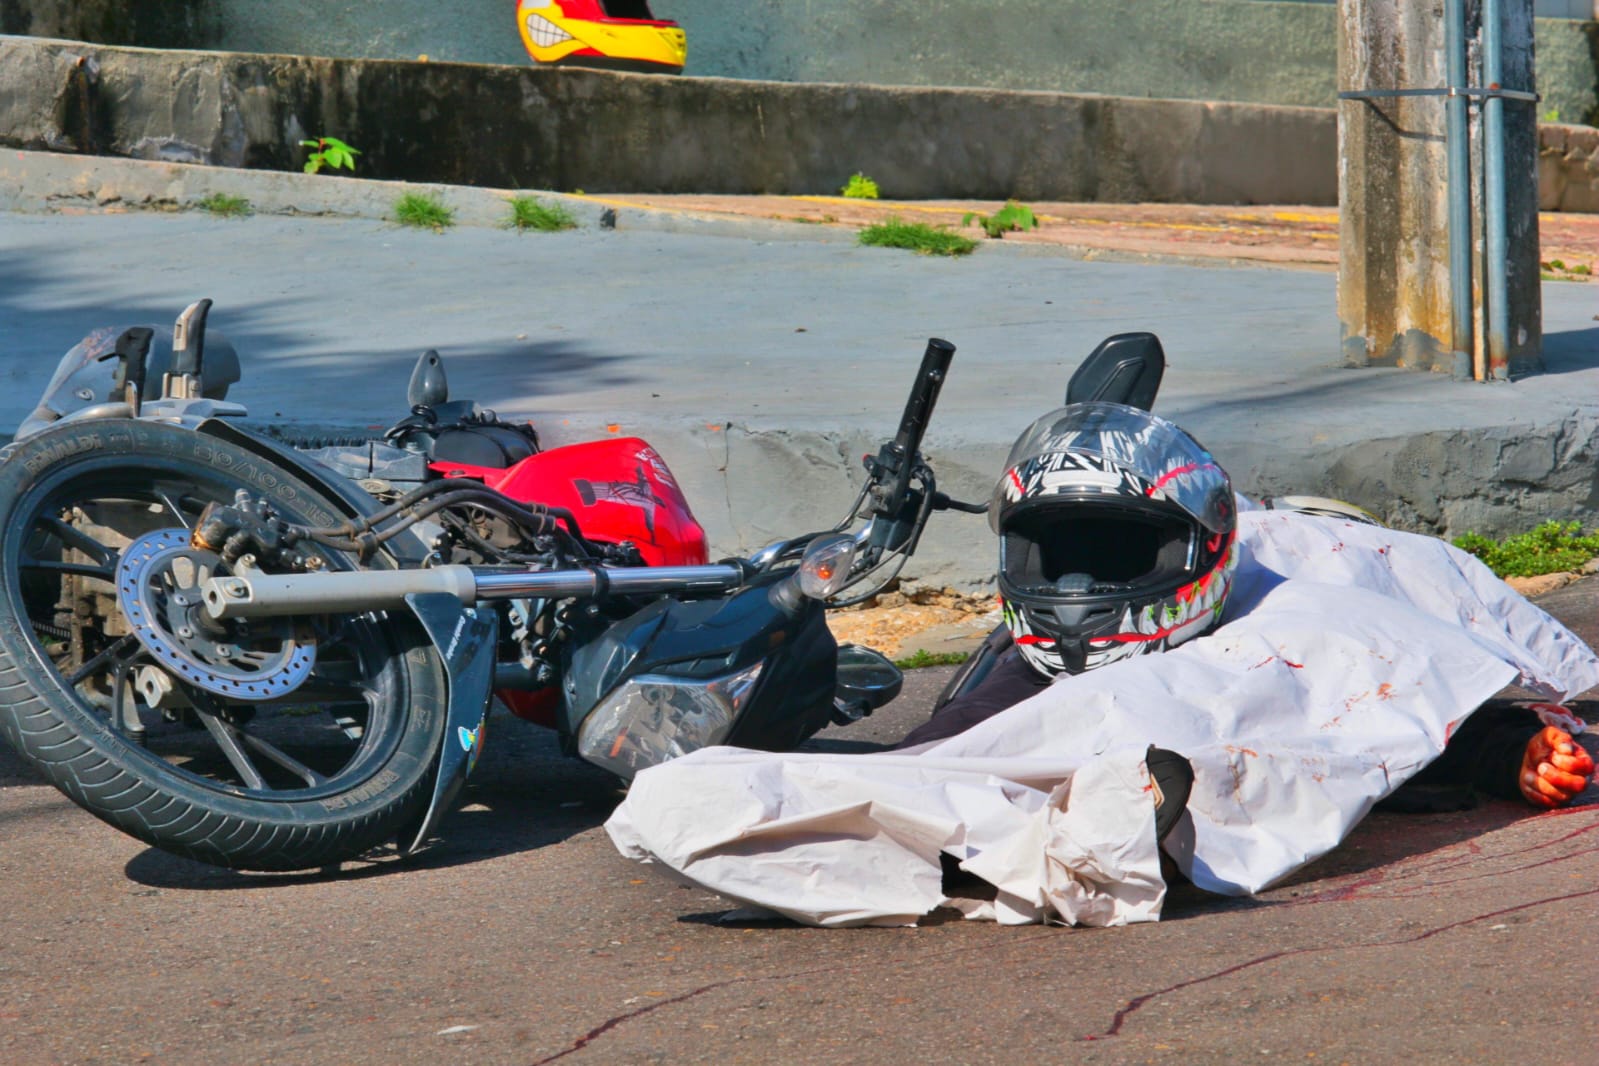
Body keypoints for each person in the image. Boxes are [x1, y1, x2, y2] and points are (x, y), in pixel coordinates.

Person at [896, 402, 1595, 814]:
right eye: (1060, 553)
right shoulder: (1028, 680)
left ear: (1196, 551)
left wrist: (1511, 752)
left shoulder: (1276, 633)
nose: (1080, 586)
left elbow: (1388, 706)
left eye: (1113, 553)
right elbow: (930, 760)